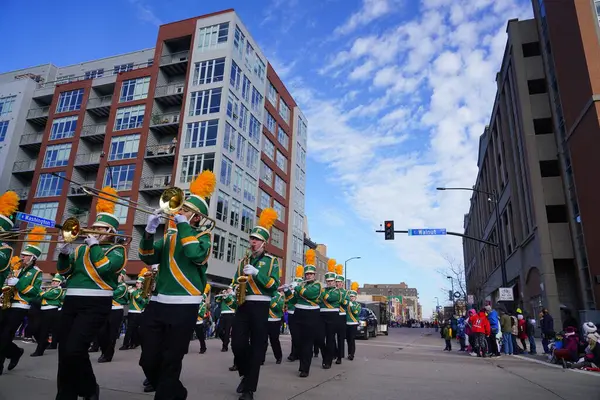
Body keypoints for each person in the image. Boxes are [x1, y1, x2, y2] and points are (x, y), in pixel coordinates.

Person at [138, 171, 215, 398]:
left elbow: (195, 254)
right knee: (148, 358)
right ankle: (176, 392)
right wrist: (149, 232)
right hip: (158, 302)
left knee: (172, 359)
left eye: (186, 211)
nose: (179, 212)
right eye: (180, 209)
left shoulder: (204, 237)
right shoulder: (170, 236)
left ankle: (168, 393)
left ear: (197, 217)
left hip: (184, 304)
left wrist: (182, 225)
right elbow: (148, 257)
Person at [56, 187, 127, 400]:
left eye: (101, 228)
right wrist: (63, 253)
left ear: (111, 232)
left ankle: (89, 388)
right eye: (93, 227)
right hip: (71, 301)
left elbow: (104, 268)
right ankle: (66, 394)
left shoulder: (117, 251)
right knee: (64, 352)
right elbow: (64, 272)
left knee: (75, 349)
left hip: (96, 304)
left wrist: (95, 246)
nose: (94, 231)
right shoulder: (80, 249)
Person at [231, 207, 280, 400]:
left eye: (257, 240)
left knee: (258, 346)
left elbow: (273, 285)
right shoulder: (244, 260)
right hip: (243, 305)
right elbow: (236, 280)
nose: (253, 242)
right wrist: (234, 288)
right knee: (237, 344)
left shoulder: (272, 261)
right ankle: (245, 373)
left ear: (264, 243)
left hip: (261, 305)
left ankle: (249, 388)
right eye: (251, 239)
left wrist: (257, 274)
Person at [0, 227, 44, 375]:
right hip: (7, 304)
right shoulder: (17, 269)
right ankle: (16, 352)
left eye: (26, 256)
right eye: (23, 255)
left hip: (20, 306)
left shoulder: (37, 272)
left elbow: (34, 292)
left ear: (33, 258)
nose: (22, 257)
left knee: (5, 336)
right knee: (1, 335)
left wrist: (18, 284)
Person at [283, 252, 322, 378]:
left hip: (311, 314)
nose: (308, 275)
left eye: (311, 274)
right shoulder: (301, 285)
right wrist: (287, 290)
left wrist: (297, 287)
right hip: (298, 312)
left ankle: (305, 369)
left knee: (307, 342)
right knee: (298, 340)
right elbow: (293, 300)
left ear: (314, 275)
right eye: (307, 274)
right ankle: (301, 363)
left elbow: (309, 294)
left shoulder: (317, 285)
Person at [97, 269, 128, 363]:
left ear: (122, 276)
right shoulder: (109, 284)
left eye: (118, 275)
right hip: (106, 309)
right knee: (101, 332)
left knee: (111, 334)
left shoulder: (123, 286)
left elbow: (113, 294)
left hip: (116, 310)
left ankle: (108, 355)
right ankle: (103, 351)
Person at [31, 274, 65, 357]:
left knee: (44, 330)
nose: (53, 282)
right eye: (53, 281)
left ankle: (39, 350)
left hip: (51, 311)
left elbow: (46, 296)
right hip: (43, 311)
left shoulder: (58, 290)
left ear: (59, 283)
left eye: (56, 281)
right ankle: (44, 343)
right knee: (37, 329)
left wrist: (40, 291)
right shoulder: (50, 289)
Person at [318, 260, 342, 370]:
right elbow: (318, 300)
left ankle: (327, 361)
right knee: (319, 338)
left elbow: (330, 298)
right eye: (328, 281)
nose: (330, 283)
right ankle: (327, 356)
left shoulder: (338, 292)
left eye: (332, 281)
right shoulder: (323, 290)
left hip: (333, 316)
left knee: (330, 339)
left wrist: (323, 295)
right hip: (322, 315)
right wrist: (323, 295)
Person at [121, 271, 147, 350]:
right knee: (131, 329)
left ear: (143, 284)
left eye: (138, 283)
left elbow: (143, 302)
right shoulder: (133, 291)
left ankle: (131, 344)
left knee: (134, 329)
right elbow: (128, 299)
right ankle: (130, 344)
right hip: (131, 311)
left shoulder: (144, 292)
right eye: (137, 283)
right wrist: (128, 292)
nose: (137, 284)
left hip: (138, 312)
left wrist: (134, 293)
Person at [285, 266, 303, 362]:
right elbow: (290, 301)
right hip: (291, 313)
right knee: (294, 335)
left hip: (300, 313)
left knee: (300, 335)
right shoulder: (293, 292)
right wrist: (287, 290)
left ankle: (299, 353)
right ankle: (294, 353)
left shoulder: (301, 291)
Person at [263, 288, 284, 364]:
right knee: (262, 340)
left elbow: (279, 309)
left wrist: (271, 302)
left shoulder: (279, 296)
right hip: (263, 320)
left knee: (274, 340)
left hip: (274, 320)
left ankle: (278, 357)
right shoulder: (263, 293)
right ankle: (261, 359)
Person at [334, 264, 348, 364]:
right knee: (330, 336)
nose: (337, 284)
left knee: (340, 337)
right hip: (333, 314)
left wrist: (339, 298)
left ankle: (340, 356)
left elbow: (346, 304)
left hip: (341, 315)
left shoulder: (346, 293)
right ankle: (334, 352)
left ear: (342, 283)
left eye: (339, 282)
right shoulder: (332, 291)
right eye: (336, 282)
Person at [216, 286, 236, 352]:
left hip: (230, 314)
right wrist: (221, 295)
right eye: (227, 289)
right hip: (223, 314)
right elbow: (217, 301)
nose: (227, 290)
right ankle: (226, 340)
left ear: (231, 289)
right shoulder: (224, 295)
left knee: (227, 331)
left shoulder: (233, 296)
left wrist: (225, 296)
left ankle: (225, 347)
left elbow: (231, 302)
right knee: (219, 330)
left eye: (229, 289)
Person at [345, 283, 361, 361]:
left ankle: (352, 354)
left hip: (353, 324)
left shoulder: (357, 305)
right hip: (346, 323)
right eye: (350, 296)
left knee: (352, 339)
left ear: (355, 297)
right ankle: (349, 353)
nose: (351, 298)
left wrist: (351, 305)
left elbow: (356, 312)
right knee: (348, 339)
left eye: (353, 297)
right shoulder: (347, 305)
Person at [194, 284, 211, 354]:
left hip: (198, 322)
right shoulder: (194, 303)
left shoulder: (203, 304)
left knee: (200, 337)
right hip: (191, 321)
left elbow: (201, 314)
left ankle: (203, 348)